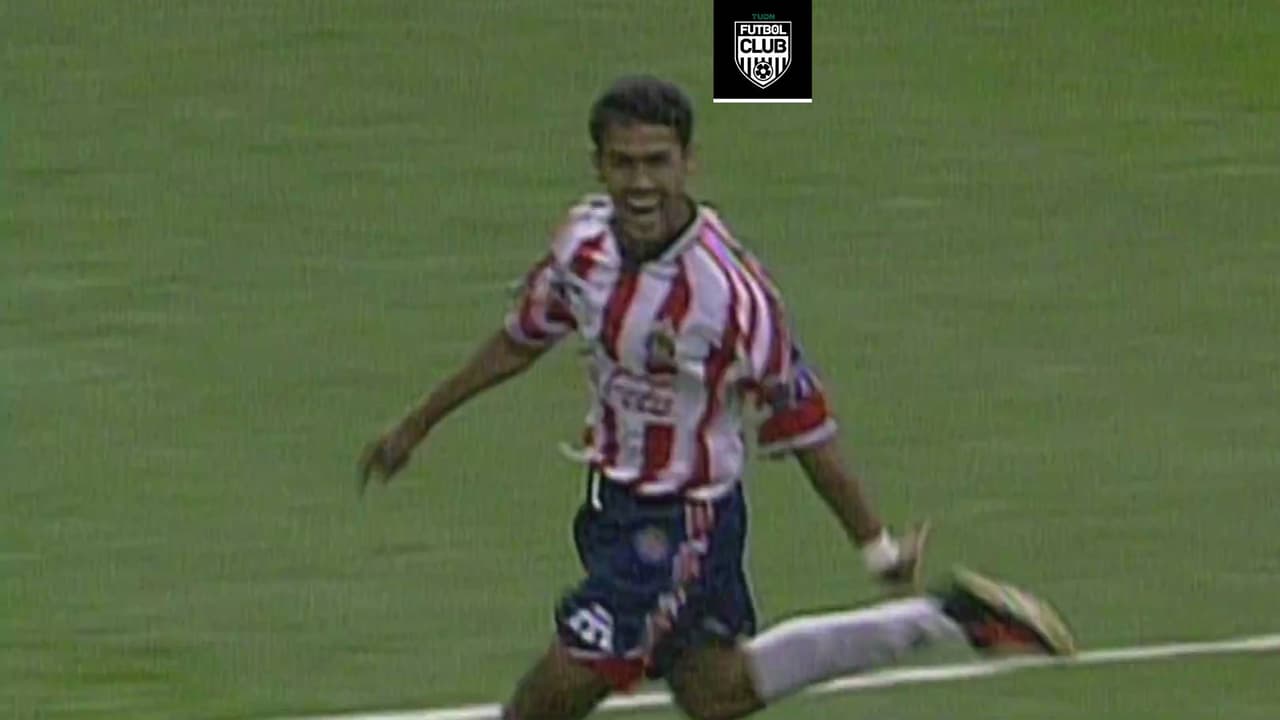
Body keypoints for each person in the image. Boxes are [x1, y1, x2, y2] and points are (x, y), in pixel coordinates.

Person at [358, 75, 1075, 720]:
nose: (642, 183)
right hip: (613, 504)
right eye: (624, 163)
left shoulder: (731, 297)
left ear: (689, 163)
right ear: (599, 166)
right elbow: (521, 339)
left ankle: (946, 616)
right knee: (716, 690)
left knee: (545, 704)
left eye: (658, 162)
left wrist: (876, 544)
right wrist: (416, 425)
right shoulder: (584, 246)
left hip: (682, 525)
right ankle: (953, 617)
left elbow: (807, 429)